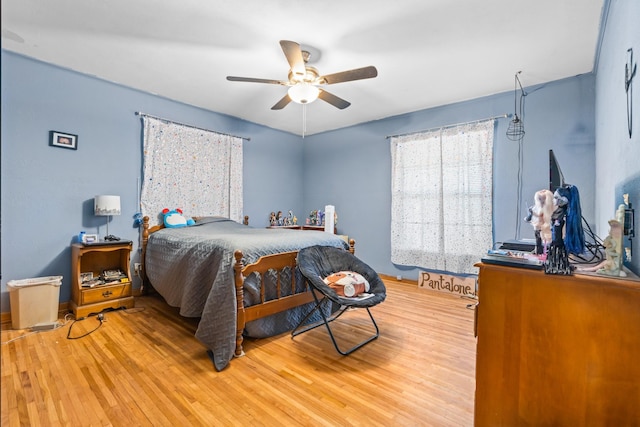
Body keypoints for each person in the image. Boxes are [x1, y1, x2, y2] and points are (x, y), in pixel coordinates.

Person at [544, 185, 585, 274]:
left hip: (558, 242)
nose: (553, 200)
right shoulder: (559, 213)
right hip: (555, 241)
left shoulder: (564, 215)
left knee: (558, 256)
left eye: (555, 197)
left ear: (563, 200)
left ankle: (559, 267)